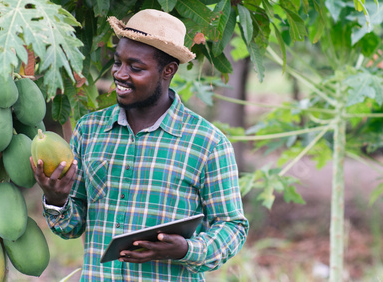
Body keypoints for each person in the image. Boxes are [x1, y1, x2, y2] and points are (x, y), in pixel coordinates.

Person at [30, 9, 249, 281]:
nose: (120, 74)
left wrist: (186, 249)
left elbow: (232, 227)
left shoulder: (207, 143)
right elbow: (71, 227)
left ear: (168, 71)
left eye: (135, 68)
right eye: (117, 62)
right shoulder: (90, 131)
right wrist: (57, 198)